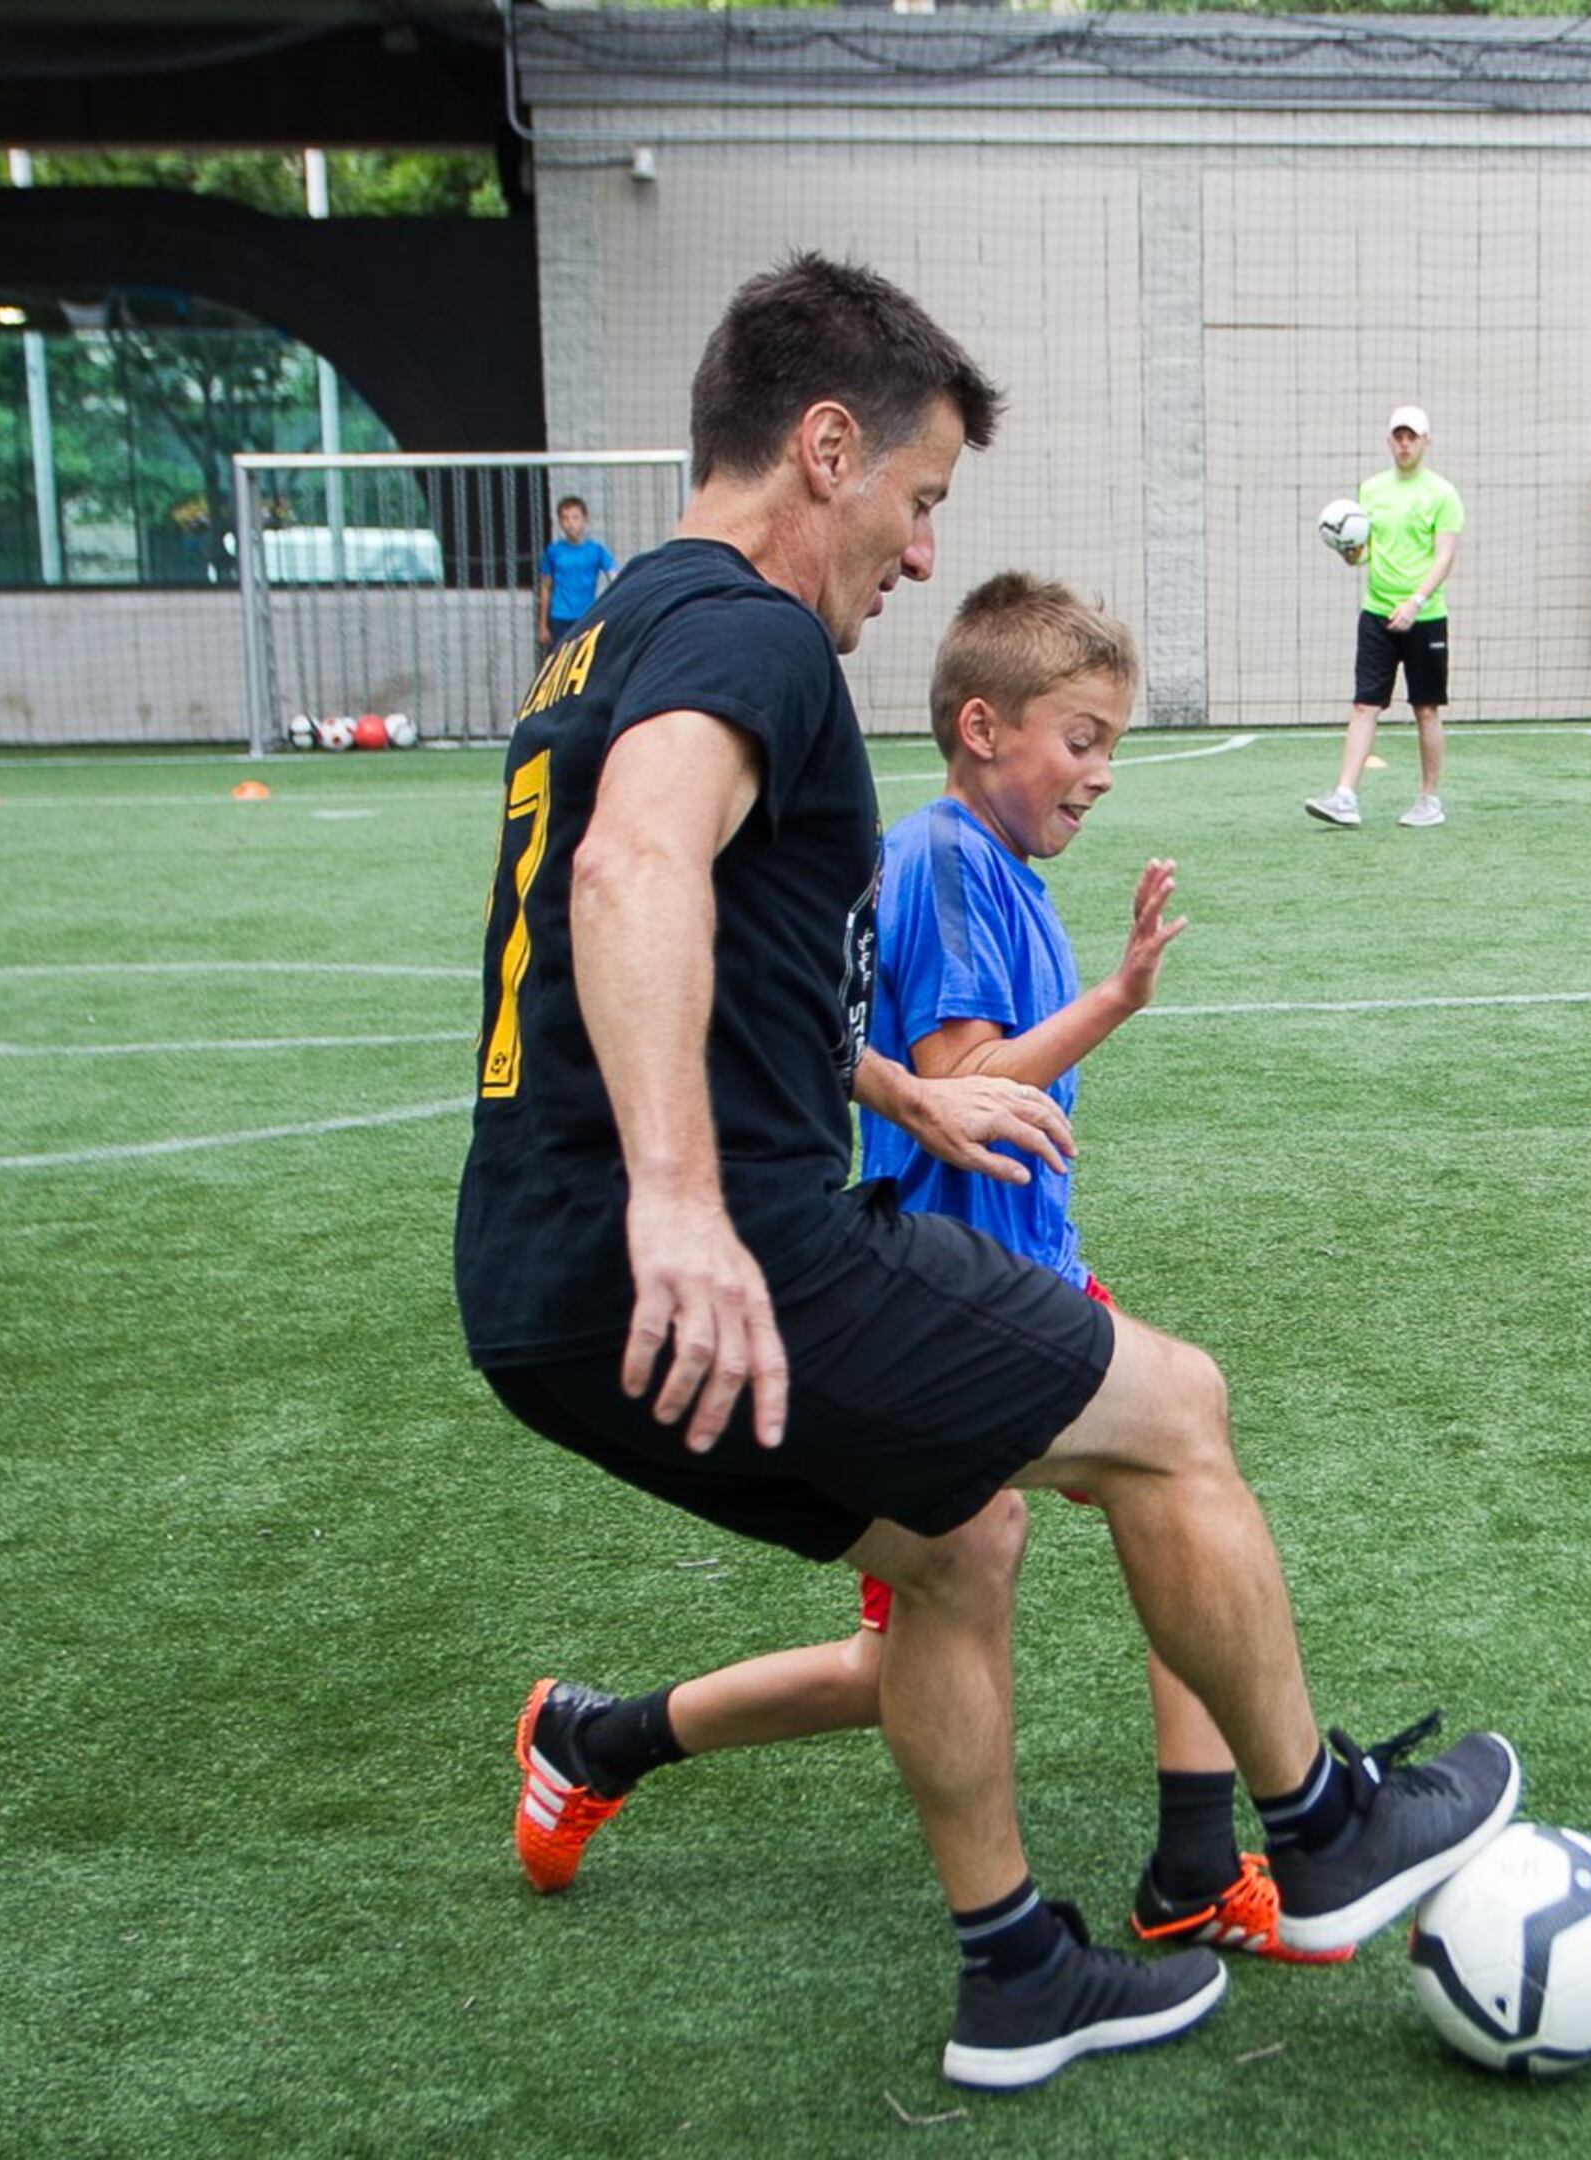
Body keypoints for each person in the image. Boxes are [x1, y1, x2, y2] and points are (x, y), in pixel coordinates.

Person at [457, 254, 1519, 2095]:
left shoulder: (615, 626)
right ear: (824, 445)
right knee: (1174, 1412)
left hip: (533, 1285)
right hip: (708, 1249)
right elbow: (632, 878)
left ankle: (1016, 1969)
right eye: (923, 499)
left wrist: (898, 1091)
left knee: (962, 1539)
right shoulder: (757, 632)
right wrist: (688, 1202)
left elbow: (685, 931)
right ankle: (1326, 1828)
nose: (925, 555)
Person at [518, 570, 1343, 1967]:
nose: (1101, 774)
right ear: (980, 726)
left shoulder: (986, 863)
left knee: (921, 1644)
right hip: (952, 1284)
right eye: (1080, 739)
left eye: (1113, 746)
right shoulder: (953, 859)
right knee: (1179, 1482)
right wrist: (1112, 1006)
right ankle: (1203, 1865)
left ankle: (600, 1737)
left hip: (995, 1268)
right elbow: (967, 1079)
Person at [1301, 406, 1461, 830]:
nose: (1404, 444)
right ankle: (1345, 797)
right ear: (1389, 441)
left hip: (1424, 617)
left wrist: (1416, 602)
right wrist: (1351, 552)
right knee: (1364, 704)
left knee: (1425, 708)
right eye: (1398, 437)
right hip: (1376, 613)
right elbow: (1368, 551)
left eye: (1412, 437)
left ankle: (1429, 800)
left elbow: (1444, 555)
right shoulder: (1370, 490)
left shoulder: (1443, 493)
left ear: (1427, 440)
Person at [537, 494, 618, 655]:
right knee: (560, 662)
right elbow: (546, 587)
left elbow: (615, 580)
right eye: (565, 519)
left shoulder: (596, 550)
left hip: (587, 616)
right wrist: (542, 625)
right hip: (559, 617)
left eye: (575, 518)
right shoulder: (553, 551)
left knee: (585, 662)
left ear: (584, 519)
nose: (570, 524)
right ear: (560, 522)